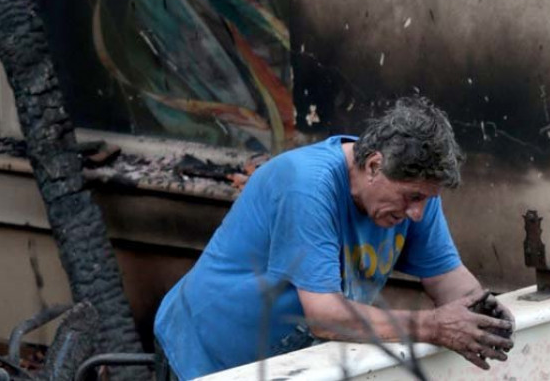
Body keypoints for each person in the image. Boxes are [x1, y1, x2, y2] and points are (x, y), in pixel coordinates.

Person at [154, 97, 514, 379]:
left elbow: (451, 283)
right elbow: (325, 317)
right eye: (413, 197)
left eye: (426, 199)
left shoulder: (415, 198)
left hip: (290, 362)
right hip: (207, 355)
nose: (418, 213)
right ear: (374, 165)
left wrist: (485, 314)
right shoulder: (307, 186)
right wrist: (433, 326)